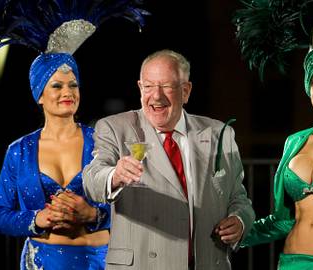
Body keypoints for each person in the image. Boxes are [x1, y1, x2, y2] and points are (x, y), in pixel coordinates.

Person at [0, 0, 147, 269]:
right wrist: (37, 219)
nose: (67, 92)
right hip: (42, 261)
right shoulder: (19, 150)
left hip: (100, 261)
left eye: (73, 84)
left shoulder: (103, 140)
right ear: (39, 95)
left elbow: (137, 209)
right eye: (56, 85)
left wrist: (93, 214)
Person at [82, 49, 255, 270]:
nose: (156, 96)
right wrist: (114, 176)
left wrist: (240, 221)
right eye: (148, 86)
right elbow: (92, 181)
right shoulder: (115, 128)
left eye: (166, 86)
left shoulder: (219, 133)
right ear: (140, 88)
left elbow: (239, 198)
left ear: (186, 91)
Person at [234, 1, 313, 269]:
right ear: (308, 87)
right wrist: (238, 232)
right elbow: (284, 219)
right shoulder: (295, 141)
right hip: (292, 262)